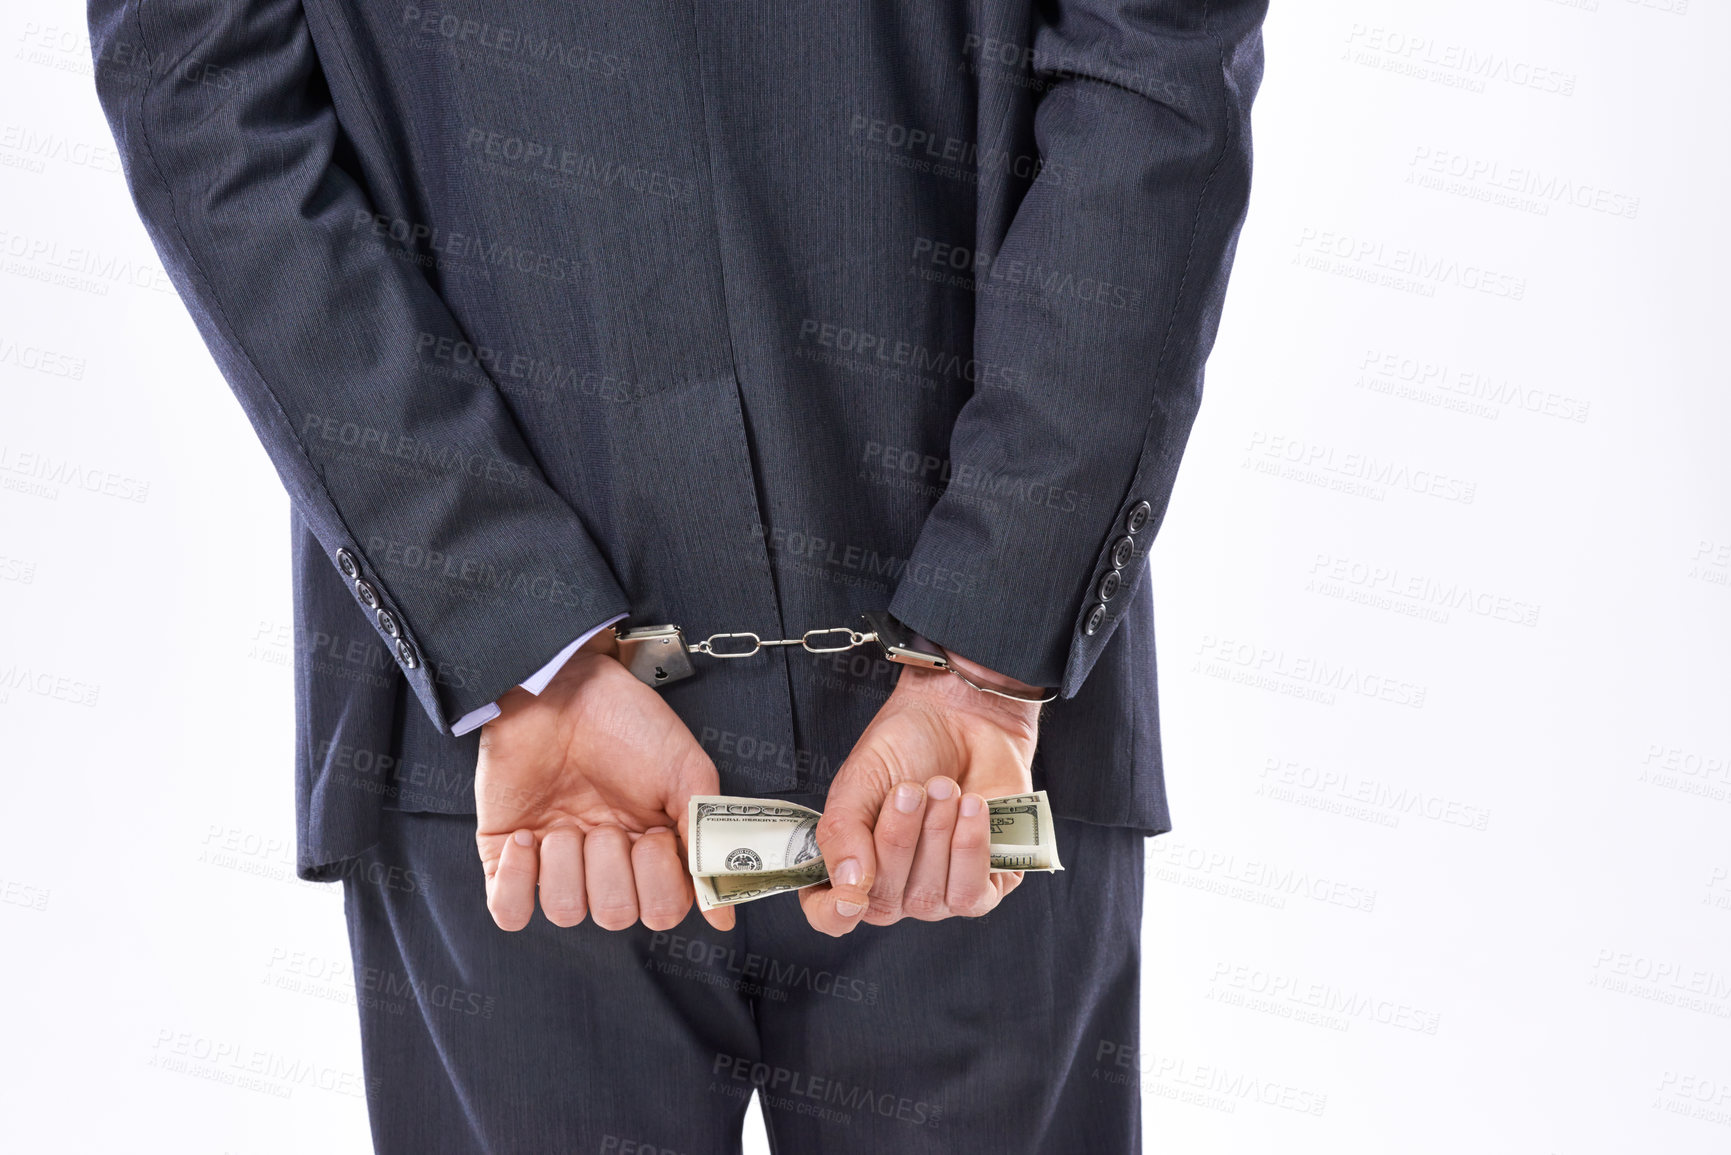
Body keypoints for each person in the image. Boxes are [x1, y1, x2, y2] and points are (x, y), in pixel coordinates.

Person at [90, 1, 1266, 1150]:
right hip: (543, 758)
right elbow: (195, 81)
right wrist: (510, 631)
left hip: (956, 744)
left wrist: (995, 641)